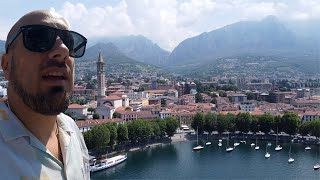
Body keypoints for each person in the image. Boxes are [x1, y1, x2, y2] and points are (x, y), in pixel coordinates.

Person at [0, 9, 90, 179]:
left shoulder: (72, 129)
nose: (63, 50)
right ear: (6, 65)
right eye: (39, 38)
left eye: (69, 42)